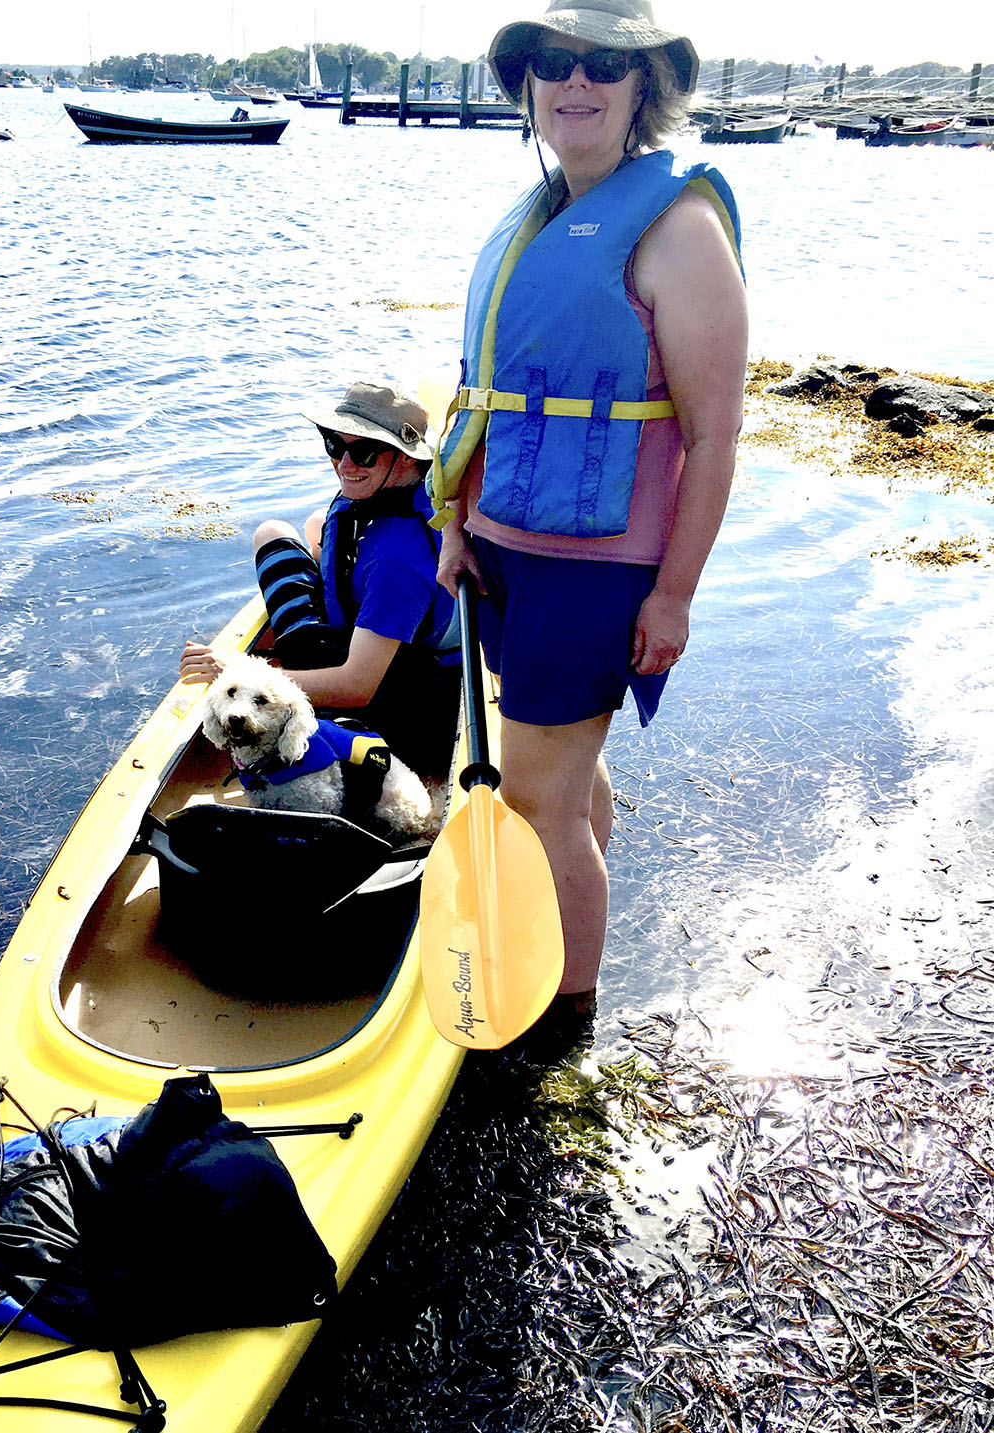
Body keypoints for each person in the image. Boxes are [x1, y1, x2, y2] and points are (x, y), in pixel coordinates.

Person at [432, 0, 748, 1006]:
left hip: (596, 571)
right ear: (526, 86)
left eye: (604, 64)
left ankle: (564, 1019)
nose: (576, 81)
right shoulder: (541, 218)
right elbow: (484, 390)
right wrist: (451, 522)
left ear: (643, 85)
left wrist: (676, 596)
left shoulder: (680, 229)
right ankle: (567, 919)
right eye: (553, 62)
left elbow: (714, 435)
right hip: (501, 550)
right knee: (563, 784)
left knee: (536, 802)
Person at [181, 381, 460, 776]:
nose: (345, 464)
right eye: (334, 444)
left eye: (363, 452)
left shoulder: (397, 560)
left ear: (406, 459)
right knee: (286, 530)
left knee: (277, 541)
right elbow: (334, 533)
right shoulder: (384, 496)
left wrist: (237, 671)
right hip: (379, 645)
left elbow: (356, 686)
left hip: (403, 698)